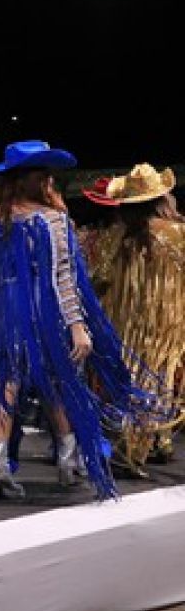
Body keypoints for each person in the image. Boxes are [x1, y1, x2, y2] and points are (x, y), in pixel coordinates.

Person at [0, 140, 154, 500]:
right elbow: (64, 278)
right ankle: (66, 461)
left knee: (5, 383)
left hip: (0, 311)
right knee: (56, 381)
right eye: (41, 173)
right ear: (25, 179)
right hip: (41, 309)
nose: (48, 179)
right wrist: (77, 326)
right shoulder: (54, 220)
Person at [85, 163, 185, 475]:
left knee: (130, 378)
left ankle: (131, 446)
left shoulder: (115, 237)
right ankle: (151, 443)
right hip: (168, 325)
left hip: (124, 323)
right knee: (160, 378)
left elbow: (98, 279)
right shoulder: (178, 234)